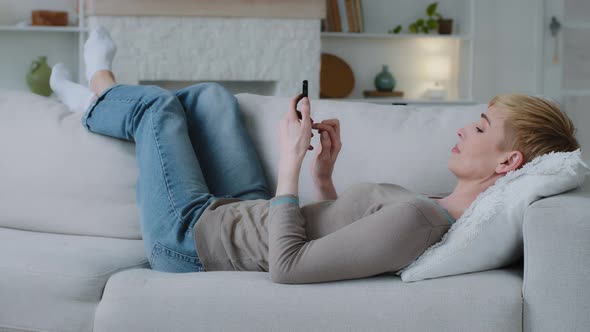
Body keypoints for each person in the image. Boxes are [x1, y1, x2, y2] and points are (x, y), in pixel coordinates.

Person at [50, 27, 580, 284]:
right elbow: (333, 230)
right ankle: (104, 100)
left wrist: (290, 162)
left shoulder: (424, 220)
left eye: (482, 125)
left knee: (159, 109)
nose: (465, 127)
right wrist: (324, 175)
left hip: (193, 238)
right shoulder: (433, 205)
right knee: (210, 96)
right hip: (249, 213)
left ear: (508, 163)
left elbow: (288, 266)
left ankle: (97, 92)